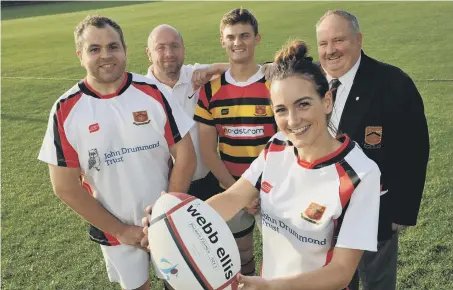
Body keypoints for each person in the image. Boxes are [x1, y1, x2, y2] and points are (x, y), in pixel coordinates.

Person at [142, 39, 381, 289]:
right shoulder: (278, 145)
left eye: (303, 104)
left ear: (327, 101)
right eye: (280, 110)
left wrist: (272, 287)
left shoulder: (360, 174)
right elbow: (232, 199)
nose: (292, 120)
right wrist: (171, 223)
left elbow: (341, 272)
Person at [37, 15, 196, 290]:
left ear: (125, 50)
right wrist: (121, 230)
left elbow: (185, 156)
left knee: (180, 284)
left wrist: (164, 216)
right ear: (80, 55)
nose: (106, 55)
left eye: (113, 47)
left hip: (167, 221)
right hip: (115, 231)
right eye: (94, 49)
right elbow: (64, 186)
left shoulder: (153, 92)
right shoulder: (65, 109)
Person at [315, 10, 430, 290]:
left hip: (375, 213)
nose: (330, 50)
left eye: (338, 40)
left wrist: (401, 213)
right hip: (321, 213)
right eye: (323, 43)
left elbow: (415, 151)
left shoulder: (393, 83)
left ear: (359, 39)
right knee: (332, 282)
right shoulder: (310, 82)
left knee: (377, 282)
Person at [194, 8, 277, 276]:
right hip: (230, 186)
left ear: (257, 38)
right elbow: (208, 150)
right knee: (241, 256)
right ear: (222, 40)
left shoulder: (275, 83)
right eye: (231, 37)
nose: (237, 43)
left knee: (282, 256)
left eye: (244, 35)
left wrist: (257, 190)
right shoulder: (210, 89)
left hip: (274, 188)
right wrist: (237, 192)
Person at [144, 24, 230, 201]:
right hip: (166, 188)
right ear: (149, 53)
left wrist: (213, 69)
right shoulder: (141, 92)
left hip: (208, 180)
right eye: (160, 47)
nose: (169, 53)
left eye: (175, 46)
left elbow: (241, 72)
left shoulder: (197, 75)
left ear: (183, 49)